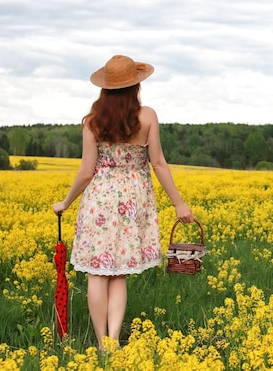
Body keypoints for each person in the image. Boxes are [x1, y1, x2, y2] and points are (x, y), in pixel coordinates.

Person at [52, 54, 194, 349]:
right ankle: (113, 339)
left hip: (99, 202)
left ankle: (101, 342)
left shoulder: (92, 122)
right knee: (117, 273)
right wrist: (179, 203)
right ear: (135, 87)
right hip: (133, 203)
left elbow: (86, 171)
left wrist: (65, 202)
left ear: (104, 89)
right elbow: (159, 163)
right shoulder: (148, 117)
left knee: (97, 273)